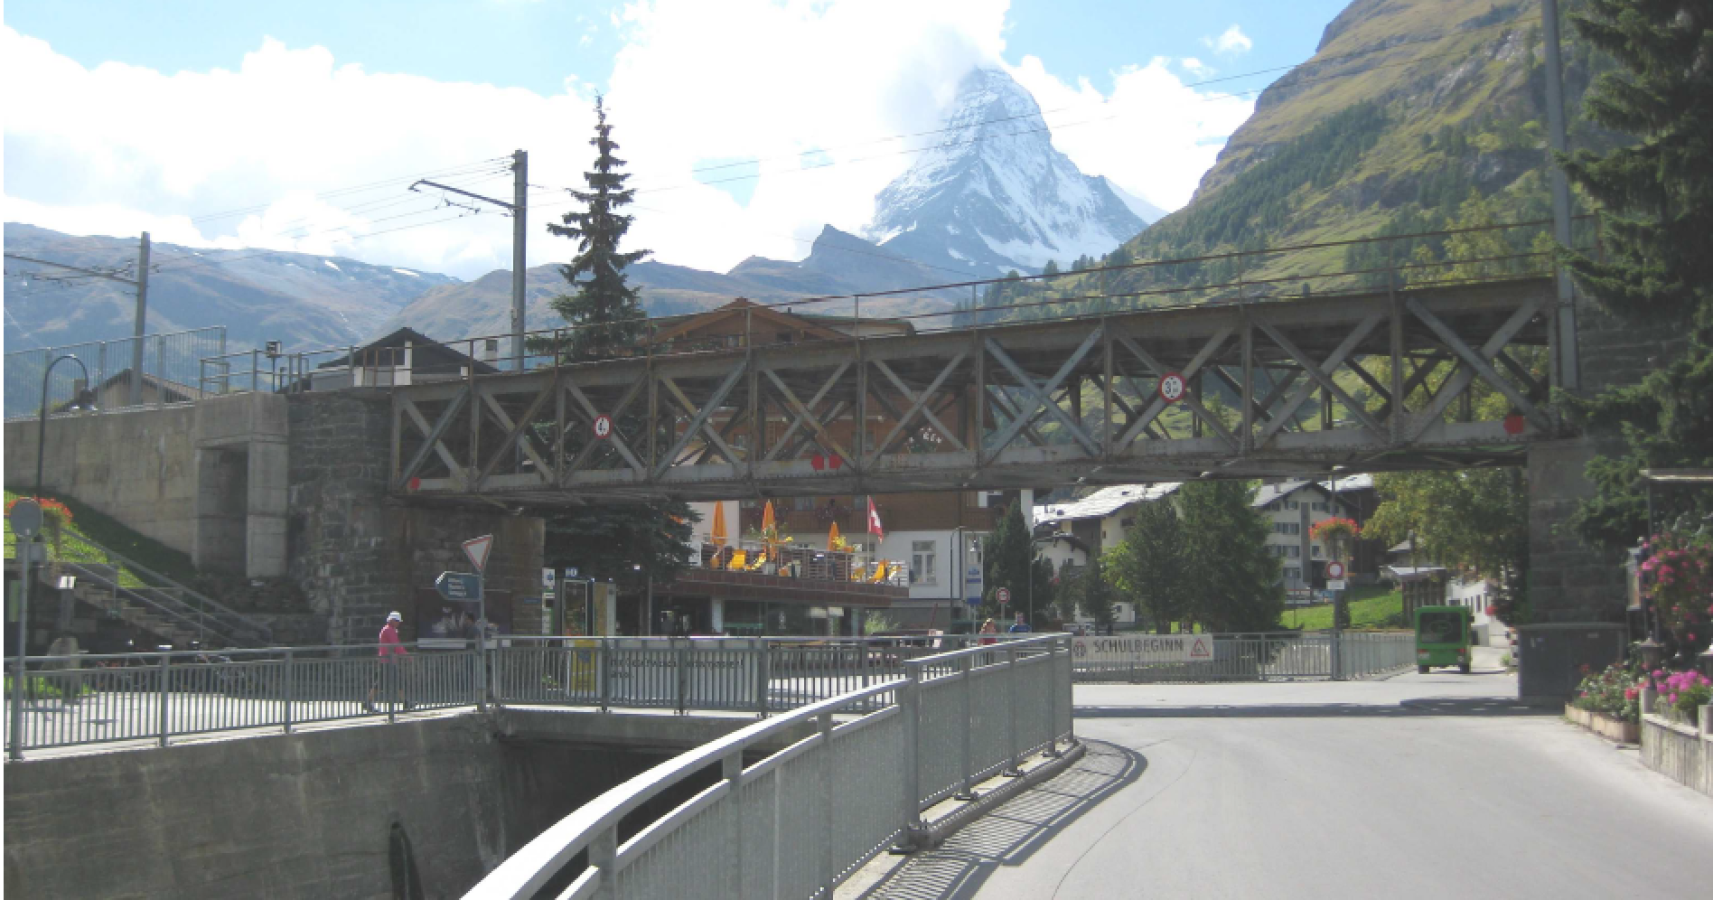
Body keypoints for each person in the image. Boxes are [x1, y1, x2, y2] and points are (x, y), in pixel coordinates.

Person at [364, 611, 411, 712]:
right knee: (392, 682)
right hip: (387, 660)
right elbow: (396, 645)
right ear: (392, 621)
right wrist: (407, 656)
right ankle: (405, 703)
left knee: (386, 683)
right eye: (397, 621)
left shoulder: (388, 629)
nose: (399, 623)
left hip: (386, 660)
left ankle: (406, 703)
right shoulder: (389, 630)